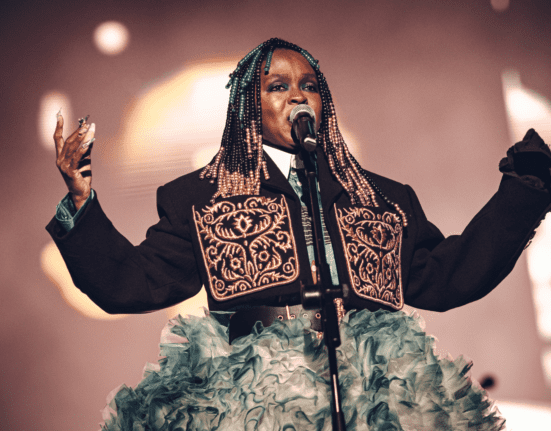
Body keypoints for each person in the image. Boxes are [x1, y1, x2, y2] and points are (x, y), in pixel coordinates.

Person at [47, 38, 551, 430]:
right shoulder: (201, 197)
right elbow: (131, 283)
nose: (296, 95)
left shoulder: (380, 198)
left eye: (308, 85)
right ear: (249, 105)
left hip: (368, 393)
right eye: (277, 86)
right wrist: (80, 201)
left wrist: (526, 192)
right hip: (255, 396)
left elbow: (446, 278)